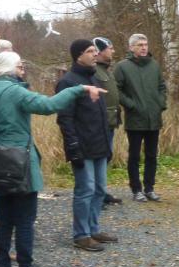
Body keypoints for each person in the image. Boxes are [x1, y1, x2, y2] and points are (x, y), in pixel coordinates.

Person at [0, 51, 107, 267]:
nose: (22, 70)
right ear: (9, 69)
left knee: (5, 219)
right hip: (20, 164)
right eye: (20, 67)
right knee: (25, 221)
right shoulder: (15, 92)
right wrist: (80, 89)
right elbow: (49, 105)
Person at [56, 39, 119, 252]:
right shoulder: (68, 82)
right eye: (90, 51)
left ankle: (93, 229)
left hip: (99, 144)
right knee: (85, 190)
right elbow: (65, 118)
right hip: (82, 146)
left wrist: (107, 146)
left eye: (95, 50)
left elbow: (100, 115)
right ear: (78, 55)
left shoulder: (94, 78)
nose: (95, 54)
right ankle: (81, 235)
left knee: (100, 189)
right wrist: (73, 146)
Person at [114, 33, 167, 203]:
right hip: (135, 119)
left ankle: (149, 188)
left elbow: (161, 87)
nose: (143, 47)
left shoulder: (154, 65)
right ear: (131, 47)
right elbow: (117, 90)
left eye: (145, 44)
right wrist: (131, 105)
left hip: (154, 118)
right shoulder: (122, 67)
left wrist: (160, 103)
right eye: (139, 45)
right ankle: (136, 189)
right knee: (134, 156)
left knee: (152, 155)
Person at [92, 36, 122, 206]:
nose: (113, 51)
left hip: (110, 121)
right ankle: (97, 196)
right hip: (100, 123)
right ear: (100, 51)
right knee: (100, 159)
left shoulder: (106, 70)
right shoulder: (95, 71)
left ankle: (101, 192)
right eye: (110, 48)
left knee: (106, 158)